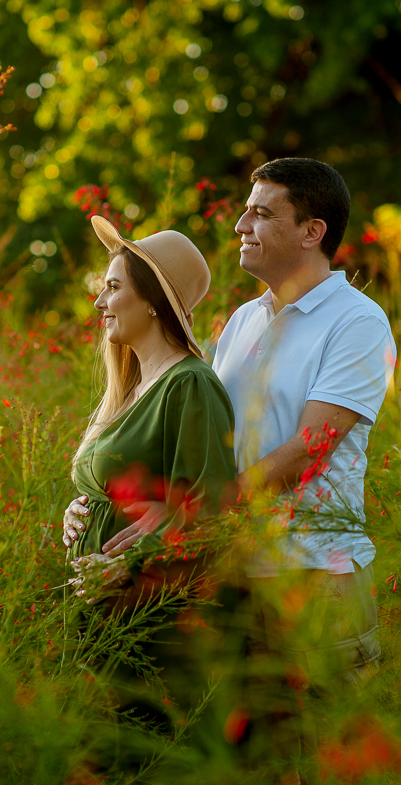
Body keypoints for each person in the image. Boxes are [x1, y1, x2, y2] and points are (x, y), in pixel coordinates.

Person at [67, 159, 395, 682]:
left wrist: (186, 513)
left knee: (327, 749)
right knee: (255, 756)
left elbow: (311, 448)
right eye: (245, 212)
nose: (241, 226)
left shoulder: (356, 321)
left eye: (261, 214)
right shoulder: (244, 319)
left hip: (312, 572)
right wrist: (104, 496)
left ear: (313, 232)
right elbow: (197, 438)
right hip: (234, 573)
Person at [63, 215, 238, 604]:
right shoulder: (130, 388)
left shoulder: (190, 384)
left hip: (150, 612)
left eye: (113, 287)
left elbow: (209, 508)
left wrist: (128, 565)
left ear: (154, 301)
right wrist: (82, 511)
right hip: (101, 613)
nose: (99, 302)